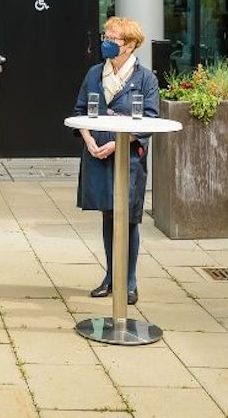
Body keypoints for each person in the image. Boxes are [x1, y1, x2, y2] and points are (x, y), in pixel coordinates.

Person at [72, 16, 159, 306]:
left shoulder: (146, 78)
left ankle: (129, 282)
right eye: (104, 37)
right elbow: (80, 110)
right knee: (108, 215)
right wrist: (89, 141)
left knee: (129, 219)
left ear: (130, 45)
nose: (106, 44)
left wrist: (117, 144)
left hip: (127, 159)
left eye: (113, 40)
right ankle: (111, 277)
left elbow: (150, 119)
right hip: (97, 153)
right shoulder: (94, 73)